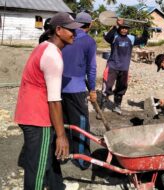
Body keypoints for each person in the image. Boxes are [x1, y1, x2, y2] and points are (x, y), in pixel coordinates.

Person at [14, 12, 82, 189]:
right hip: (38, 118)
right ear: (58, 30)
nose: (74, 34)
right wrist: (61, 135)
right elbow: (54, 100)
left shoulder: (43, 46)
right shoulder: (53, 57)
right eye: (71, 31)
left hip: (26, 111)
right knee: (38, 169)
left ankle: (57, 186)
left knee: (49, 157)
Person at [61, 12, 97, 170]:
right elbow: (92, 68)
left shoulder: (65, 37)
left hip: (59, 88)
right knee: (81, 123)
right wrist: (93, 89)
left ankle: (62, 155)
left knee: (63, 122)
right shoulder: (89, 41)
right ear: (89, 25)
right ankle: (82, 159)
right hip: (76, 89)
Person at [101, 19, 149, 115]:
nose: (124, 30)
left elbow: (143, 39)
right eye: (122, 28)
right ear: (119, 28)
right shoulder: (114, 36)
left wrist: (145, 28)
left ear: (128, 29)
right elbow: (107, 38)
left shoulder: (131, 38)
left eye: (126, 28)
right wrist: (115, 26)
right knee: (107, 86)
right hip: (112, 66)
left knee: (121, 88)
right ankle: (102, 106)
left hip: (124, 68)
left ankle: (117, 106)